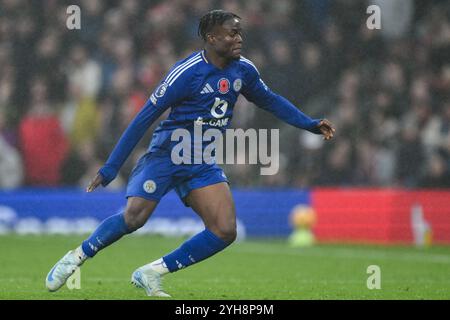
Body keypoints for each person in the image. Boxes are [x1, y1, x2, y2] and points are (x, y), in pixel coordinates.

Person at [45, 10, 335, 297]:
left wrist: (308, 124)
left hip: (201, 159)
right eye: (233, 33)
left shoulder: (243, 69)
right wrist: (110, 168)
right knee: (134, 218)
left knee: (224, 230)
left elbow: (271, 101)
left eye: (240, 32)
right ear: (212, 37)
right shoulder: (187, 73)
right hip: (168, 153)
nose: (239, 38)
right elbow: (144, 117)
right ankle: (77, 257)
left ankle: (151, 272)